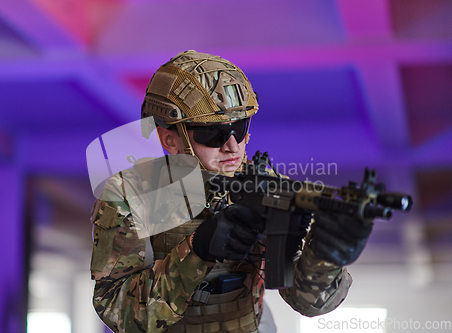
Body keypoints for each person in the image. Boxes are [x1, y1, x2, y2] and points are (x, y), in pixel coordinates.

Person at [89, 50, 373, 333]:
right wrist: (197, 251)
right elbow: (117, 311)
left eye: (240, 127)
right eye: (213, 134)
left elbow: (311, 303)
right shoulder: (130, 194)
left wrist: (325, 257)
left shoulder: (264, 183)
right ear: (170, 140)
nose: (233, 146)